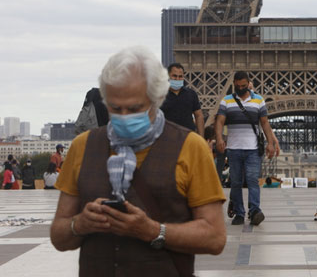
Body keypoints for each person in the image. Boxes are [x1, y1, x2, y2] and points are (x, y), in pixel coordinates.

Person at [50, 46, 227, 275]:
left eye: (134, 108)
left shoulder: (191, 147)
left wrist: (153, 230)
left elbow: (215, 237)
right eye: (115, 108)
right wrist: (80, 224)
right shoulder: (82, 146)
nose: (124, 116)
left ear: (157, 99)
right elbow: (59, 236)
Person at [215, 71, 280, 226]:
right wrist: (218, 138)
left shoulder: (258, 100)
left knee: (252, 180)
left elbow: (265, 123)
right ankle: (239, 212)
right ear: (234, 84)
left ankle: (254, 211)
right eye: (238, 86)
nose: (241, 88)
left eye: (244, 86)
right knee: (236, 182)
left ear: (248, 83)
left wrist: (270, 143)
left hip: (252, 149)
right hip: (234, 148)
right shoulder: (226, 100)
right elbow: (219, 121)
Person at [160, 63, 205, 137]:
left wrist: (201, 138)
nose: (177, 79)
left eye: (180, 76)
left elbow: (199, 115)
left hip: (188, 137)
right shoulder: (160, 95)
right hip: (167, 137)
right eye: (174, 76)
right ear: (168, 76)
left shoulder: (191, 94)